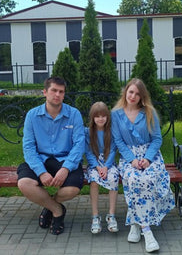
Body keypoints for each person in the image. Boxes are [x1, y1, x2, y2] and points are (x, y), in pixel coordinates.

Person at [111, 79, 174, 252]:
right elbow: (118, 141)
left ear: (142, 96)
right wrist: (132, 160)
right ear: (125, 92)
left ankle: (135, 223)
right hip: (128, 158)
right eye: (131, 92)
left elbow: (157, 139)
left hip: (150, 156)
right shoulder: (115, 114)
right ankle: (147, 231)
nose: (133, 96)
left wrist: (147, 159)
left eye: (137, 94)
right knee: (132, 178)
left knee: (146, 178)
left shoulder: (149, 112)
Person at [17, 76, 85, 235]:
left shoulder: (73, 114)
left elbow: (79, 144)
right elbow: (28, 147)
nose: (57, 94)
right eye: (54, 90)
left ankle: (48, 206)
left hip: (65, 160)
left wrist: (66, 168)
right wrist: (41, 172)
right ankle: (57, 210)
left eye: (61, 92)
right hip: (40, 159)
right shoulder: (32, 116)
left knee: (72, 189)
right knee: (24, 184)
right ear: (45, 92)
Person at [85, 101, 120, 235]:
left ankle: (111, 214)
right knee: (94, 180)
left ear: (107, 117)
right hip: (94, 164)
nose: (100, 119)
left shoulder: (111, 132)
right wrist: (97, 167)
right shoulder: (88, 132)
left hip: (108, 163)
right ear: (92, 118)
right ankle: (95, 216)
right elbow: (88, 152)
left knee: (113, 177)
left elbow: (112, 150)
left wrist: (106, 167)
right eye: (97, 116)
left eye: (103, 116)